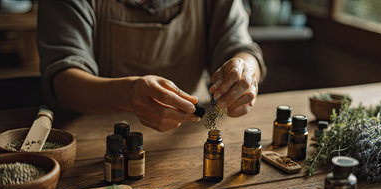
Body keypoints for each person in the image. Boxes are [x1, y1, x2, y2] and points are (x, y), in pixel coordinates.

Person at [37, 0, 266, 132]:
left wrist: (245, 70)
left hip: (189, 133)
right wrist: (130, 93)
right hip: (95, 138)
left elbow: (242, 48)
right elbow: (63, 79)